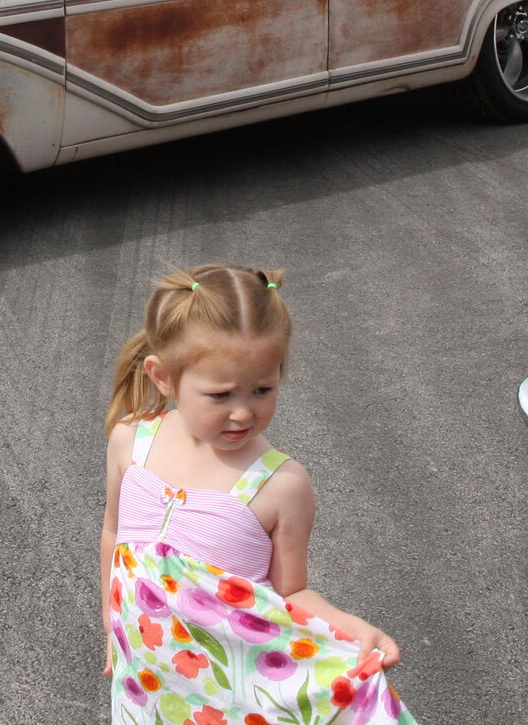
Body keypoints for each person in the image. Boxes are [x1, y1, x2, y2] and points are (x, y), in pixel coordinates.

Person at [101, 266, 414, 725]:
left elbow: (292, 591)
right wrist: (110, 623)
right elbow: (113, 533)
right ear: (163, 377)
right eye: (221, 394)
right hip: (146, 681)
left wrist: (351, 628)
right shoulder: (131, 442)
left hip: (229, 695)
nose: (243, 411)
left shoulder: (280, 485)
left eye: (262, 389)